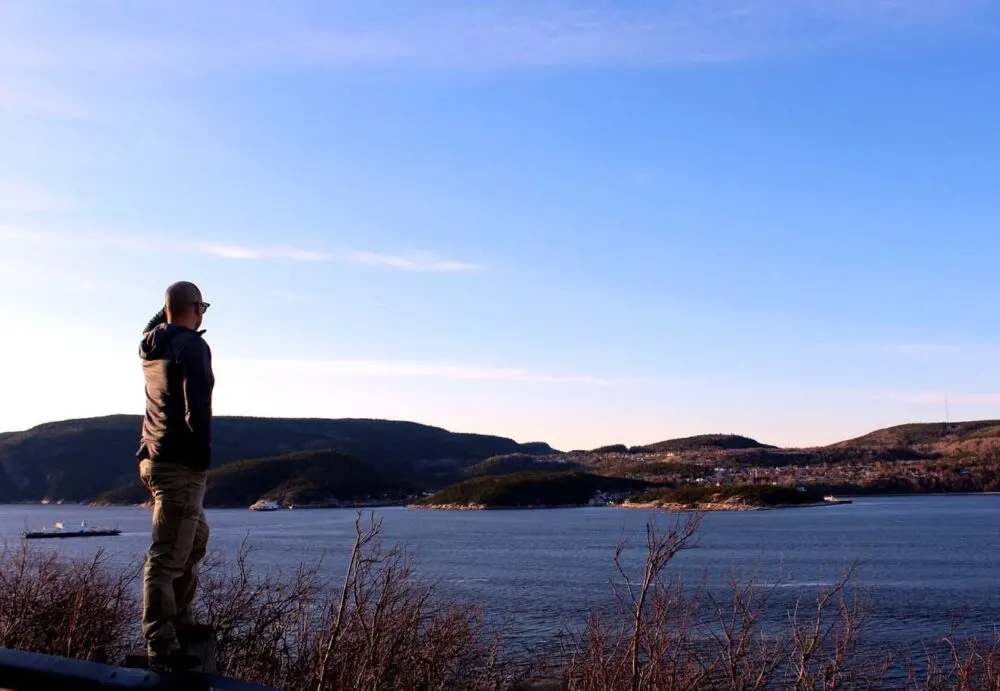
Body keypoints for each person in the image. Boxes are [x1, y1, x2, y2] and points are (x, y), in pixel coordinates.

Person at [136, 281, 215, 671]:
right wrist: (202, 456)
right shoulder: (193, 347)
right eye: (203, 308)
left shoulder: (150, 345)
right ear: (196, 308)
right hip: (180, 462)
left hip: (152, 458)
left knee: (196, 538)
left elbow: (154, 324)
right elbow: (196, 405)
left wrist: (171, 309)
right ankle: (162, 641)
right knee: (166, 557)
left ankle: (180, 619)